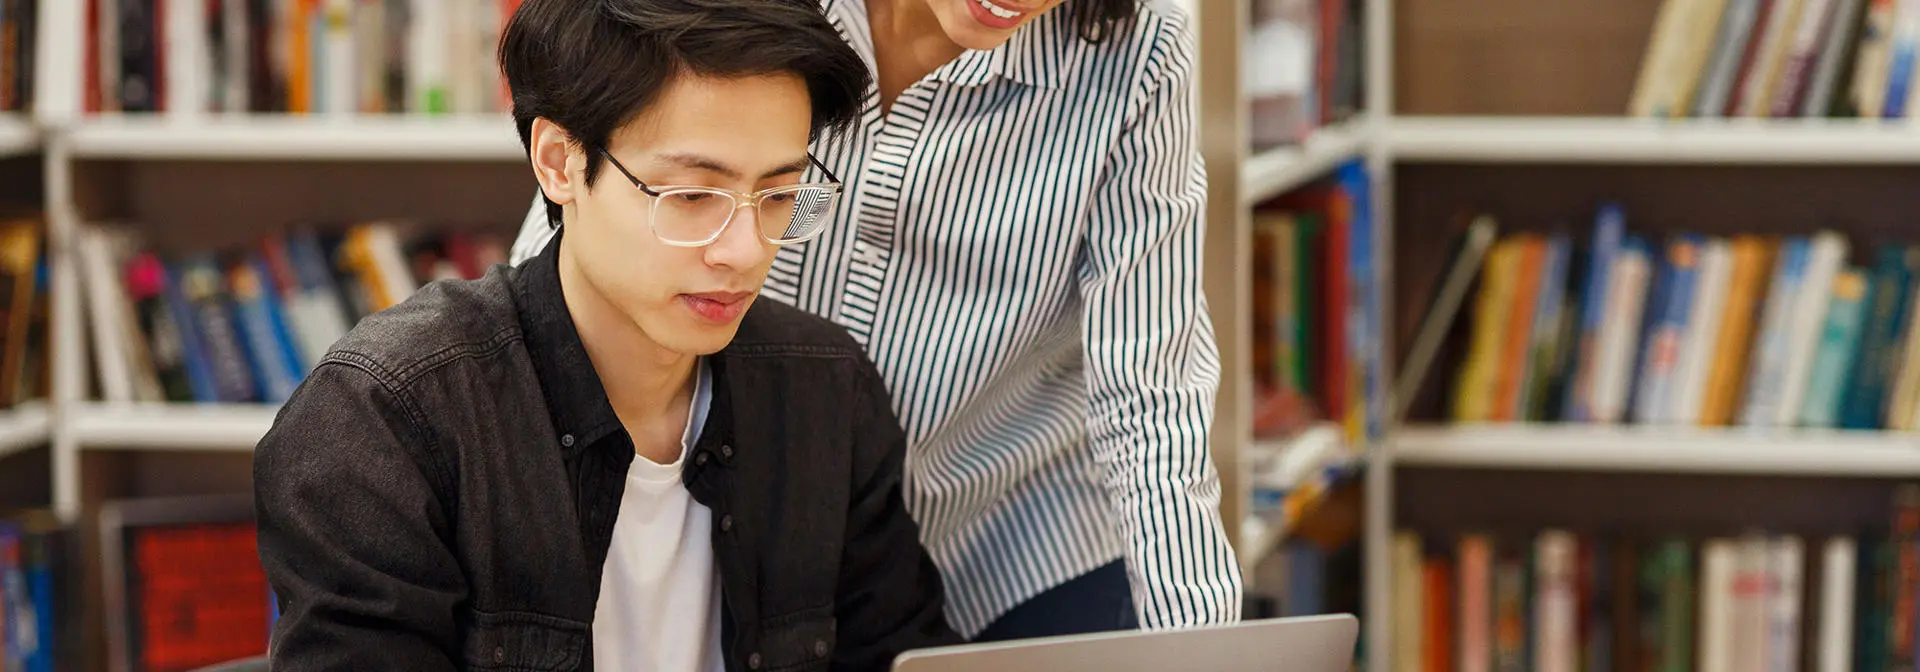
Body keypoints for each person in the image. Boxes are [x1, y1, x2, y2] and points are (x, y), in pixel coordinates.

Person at [252, 0, 961, 669]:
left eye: (779, 195)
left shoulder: (823, 392)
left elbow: (898, 653)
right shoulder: (388, 419)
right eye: (692, 197)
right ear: (560, 163)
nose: (745, 251)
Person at [510, 0, 1242, 644]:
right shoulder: (744, 16)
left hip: (1012, 535)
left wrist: (1203, 647)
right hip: (753, 513)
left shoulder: (1137, 58)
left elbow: (1151, 386)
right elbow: (590, 230)